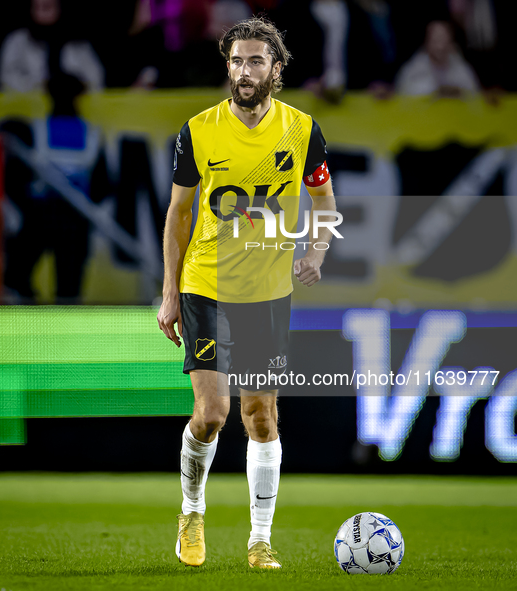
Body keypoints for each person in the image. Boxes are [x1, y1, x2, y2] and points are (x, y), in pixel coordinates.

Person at [157, 17, 337, 568]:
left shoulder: (302, 130)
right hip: (206, 286)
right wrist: (169, 293)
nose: (244, 71)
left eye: (256, 61)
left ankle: (260, 541)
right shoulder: (199, 130)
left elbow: (326, 205)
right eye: (236, 61)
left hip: (267, 292)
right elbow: (179, 215)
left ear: (276, 69)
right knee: (211, 412)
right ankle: (191, 511)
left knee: (261, 416)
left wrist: (315, 254)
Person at [0, 73, 108, 302]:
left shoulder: (36, 131)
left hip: (39, 217)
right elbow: (102, 185)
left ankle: (30, 318)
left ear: (48, 96)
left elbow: (16, 179)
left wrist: (27, 207)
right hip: (75, 220)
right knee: (68, 292)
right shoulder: (91, 135)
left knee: (17, 278)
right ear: (79, 97)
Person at [0, 0, 104, 92]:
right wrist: (38, 86)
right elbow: (5, 78)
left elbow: (96, 78)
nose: (42, 12)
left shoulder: (77, 42)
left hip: (71, 110)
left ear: (59, 7)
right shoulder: (17, 40)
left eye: (47, 6)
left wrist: (71, 88)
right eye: (37, 7)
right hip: (28, 109)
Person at [395, 20, 480, 97]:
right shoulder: (412, 70)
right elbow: (400, 96)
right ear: (427, 42)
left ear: (451, 43)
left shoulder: (462, 69)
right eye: (435, 40)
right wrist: (436, 92)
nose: (440, 46)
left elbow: (475, 96)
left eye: (443, 39)